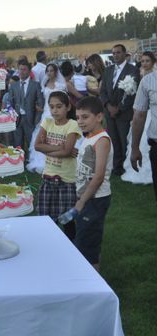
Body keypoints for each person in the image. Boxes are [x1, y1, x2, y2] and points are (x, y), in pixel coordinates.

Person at [59, 96, 113, 271]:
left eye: (85, 117)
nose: (80, 121)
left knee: (86, 243)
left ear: (99, 117)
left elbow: (98, 176)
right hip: (87, 197)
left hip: (95, 199)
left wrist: (81, 202)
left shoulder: (102, 140)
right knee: (88, 239)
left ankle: (94, 286)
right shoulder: (89, 137)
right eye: (78, 117)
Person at [34, 91, 82, 241]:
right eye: (52, 107)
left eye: (59, 106)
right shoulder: (47, 122)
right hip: (48, 176)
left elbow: (67, 151)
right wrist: (60, 149)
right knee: (47, 218)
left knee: (66, 218)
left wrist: (48, 147)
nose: (55, 110)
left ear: (68, 107)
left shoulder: (73, 125)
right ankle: (51, 244)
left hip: (66, 179)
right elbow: (37, 146)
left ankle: (72, 247)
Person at [99, 44, 141, 176]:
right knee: (113, 140)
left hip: (124, 112)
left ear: (124, 54)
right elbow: (103, 91)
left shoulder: (132, 70)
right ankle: (116, 167)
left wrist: (119, 108)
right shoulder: (108, 70)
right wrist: (108, 106)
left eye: (118, 52)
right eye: (113, 53)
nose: (115, 55)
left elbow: (132, 93)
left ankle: (127, 166)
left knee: (124, 140)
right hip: (109, 111)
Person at [27, 63, 68, 173]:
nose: (49, 73)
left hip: (56, 112)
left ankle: (58, 158)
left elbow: (63, 101)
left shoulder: (60, 85)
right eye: (48, 71)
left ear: (55, 72)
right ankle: (43, 161)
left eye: (51, 71)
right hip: (45, 113)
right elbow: (43, 99)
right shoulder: (44, 84)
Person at [126, 51, 157, 191]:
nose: (144, 63)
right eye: (142, 60)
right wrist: (134, 148)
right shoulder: (148, 80)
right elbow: (139, 115)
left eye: (147, 60)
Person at [9, 59, 44, 160]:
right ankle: (18, 160)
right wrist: (12, 114)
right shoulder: (14, 85)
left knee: (30, 140)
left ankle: (31, 160)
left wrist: (37, 118)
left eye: (24, 69)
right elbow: (10, 102)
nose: (22, 72)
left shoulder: (35, 85)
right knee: (17, 141)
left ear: (29, 71)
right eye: (20, 69)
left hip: (30, 117)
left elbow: (40, 102)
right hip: (17, 117)